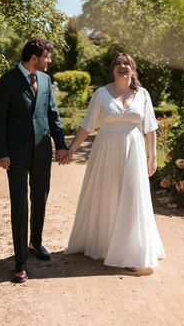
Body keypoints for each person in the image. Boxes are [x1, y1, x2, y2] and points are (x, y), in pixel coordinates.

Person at [62, 53, 165, 270]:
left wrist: (153, 156)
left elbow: (150, 128)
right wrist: (71, 150)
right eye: (118, 63)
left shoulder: (143, 94)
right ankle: (105, 243)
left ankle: (131, 251)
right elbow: (87, 126)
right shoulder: (101, 94)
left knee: (131, 196)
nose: (122, 66)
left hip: (134, 152)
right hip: (106, 152)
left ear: (133, 69)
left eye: (126, 63)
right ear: (112, 69)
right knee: (108, 195)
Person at [0, 37, 70, 283]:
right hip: (15, 155)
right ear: (34, 58)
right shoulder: (6, 82)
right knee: (19, 204)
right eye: (47, 56)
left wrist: (61, 145)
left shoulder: (45, 80)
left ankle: (35, 242)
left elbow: (52, 114)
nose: (50, 60)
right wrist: (2, 153)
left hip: (42, 152)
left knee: (40, 198)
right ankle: (20, 261)